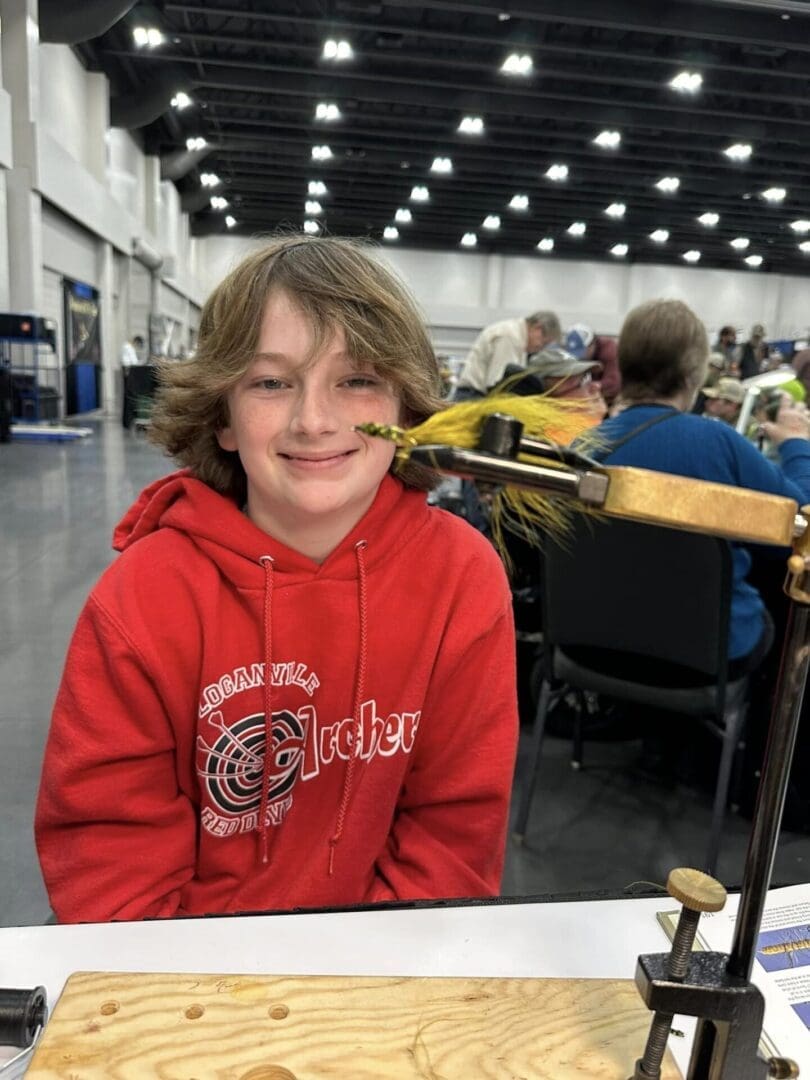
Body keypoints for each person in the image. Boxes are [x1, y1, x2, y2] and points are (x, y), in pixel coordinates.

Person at [35, 235, 519, 923]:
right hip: (180, 971)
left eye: (356, 380)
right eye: (270, 383)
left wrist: (355, 977)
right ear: (223, 418)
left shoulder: (462, 578)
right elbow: (110, 867)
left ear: (406, 409)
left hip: (386, 965)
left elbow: (452, 840)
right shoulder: (141, 598)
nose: (314, 421)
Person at [584, 298, 810, 667]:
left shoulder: (583, 446)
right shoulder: (719, 443)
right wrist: (797, 443)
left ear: (623, 365)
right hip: (706, 653)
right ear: (694, 374)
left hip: (591, 642)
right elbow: (802, 524)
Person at [455, 310, 561, 398]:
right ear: (538, 328)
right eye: (543, 343)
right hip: (472, 397)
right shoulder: (510, 337)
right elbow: (499, 385)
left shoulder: (520, 340)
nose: (540, 349)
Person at [120, 333, 146, 428]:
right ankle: (127, 421)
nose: (137, 347)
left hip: (130, 372)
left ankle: (129, 420)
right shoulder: (127, 347)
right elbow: (129, 362)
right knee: (128, 398)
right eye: (138, 345)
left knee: (129, 398)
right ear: (136, 342)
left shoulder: (129, 347)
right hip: (129, 373)